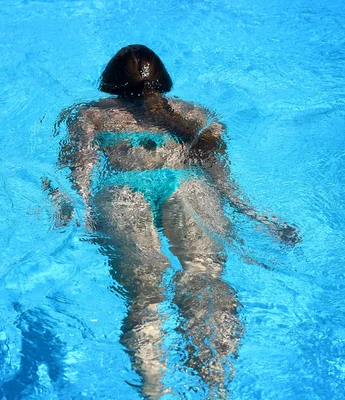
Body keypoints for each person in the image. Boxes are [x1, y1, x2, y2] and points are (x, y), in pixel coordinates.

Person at [45, 44, 299, 398]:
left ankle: (153, 388)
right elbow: (222, 178)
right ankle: (217, 387)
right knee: (205, 278)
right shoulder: (195, 113)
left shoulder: (88, 116)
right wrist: (257, 216)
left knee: (144, 293)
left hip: (124, 192)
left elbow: (79, 175)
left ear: (110, 82)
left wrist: (79, 210)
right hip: (189, 187)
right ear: (163, 79)